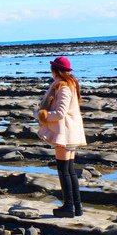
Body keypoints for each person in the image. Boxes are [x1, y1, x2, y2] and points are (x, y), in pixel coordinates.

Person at [36, 56, 87, 216]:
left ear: (56, 71)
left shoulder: (64, 87)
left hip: (65, 134)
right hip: (70, 132)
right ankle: (76, 208)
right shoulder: (69, 85)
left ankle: (69, 207)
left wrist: (41, 115)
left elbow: (60, 113)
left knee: (64, 171)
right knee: (70, 170)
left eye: (52, 69)